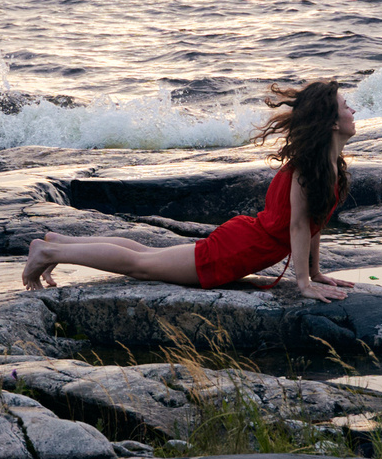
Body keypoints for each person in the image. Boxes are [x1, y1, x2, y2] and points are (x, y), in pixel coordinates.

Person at [21, 79, 358, 301]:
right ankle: (48, 253)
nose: (353, 110)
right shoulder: (307, 171)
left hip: (243, 244)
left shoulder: (326, 167)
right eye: (346, 106)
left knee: (145, 254)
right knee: (140, 264)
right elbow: (297, 226)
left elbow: (311, 225)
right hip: (237, 251)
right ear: (331, 122)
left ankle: (60, 243)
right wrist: (303, 284)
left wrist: (315, 273)